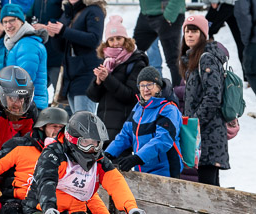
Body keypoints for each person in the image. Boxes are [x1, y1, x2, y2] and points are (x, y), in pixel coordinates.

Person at [105, 66, 183, 179]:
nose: (145, 89)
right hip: (142, 170)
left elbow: (163, 140)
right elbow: (125, 135)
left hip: (166, 171)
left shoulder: (168, 109)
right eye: (142, 85)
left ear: (158, 87)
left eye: (149, 84)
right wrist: (108, 154)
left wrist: (137, 158)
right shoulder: (138, 107)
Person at [179, 14, 229, 186]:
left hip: (209, 134)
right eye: (187, 31)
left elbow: (214, 95)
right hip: (202, 132)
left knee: (209, 188)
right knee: (208, 185)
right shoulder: (193, 59)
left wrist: (194, 122)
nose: (189, 35)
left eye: (194, 31)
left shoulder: (206, 57)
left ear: (203, 34)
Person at [86, 15, 148, 145]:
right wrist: (98, 82)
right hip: (103, 126)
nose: (115, 43)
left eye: (119, 38)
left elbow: (131, 95)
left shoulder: (136, 62)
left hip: (124, 126)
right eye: (111, 40)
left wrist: (107, 79)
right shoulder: (108, 62)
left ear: (126, 40)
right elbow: (93, 96)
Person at [44, 0, 105, 113]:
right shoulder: (67, 13)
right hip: (70, 75)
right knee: (76, 121)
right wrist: (55, 36)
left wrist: (63, 30)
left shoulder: (94, 10)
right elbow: (61, 48)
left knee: (83, 121)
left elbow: (94, 39)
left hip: (86, 74)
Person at [1, 3, 48, 109]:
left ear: (22, 21)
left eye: (12, 20)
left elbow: (24, 80)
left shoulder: (27, 44)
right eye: (5, 22)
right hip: (24, 104)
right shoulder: (17, 43)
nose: (8, 25)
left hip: (30, 105)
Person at [132, 0, 185, 87]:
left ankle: (179, 95)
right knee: (133, 54)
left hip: (167, 13)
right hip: (146, 13)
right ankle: (133, 92)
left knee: (173, 60)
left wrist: (169, 16)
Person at [28, 0, 64, 90]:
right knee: (37, 91)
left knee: (60, 93)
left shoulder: (62, 2)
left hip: (57, 56)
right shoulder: (37, 2)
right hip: (41, 55)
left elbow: (65, 22)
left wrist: (45, 27)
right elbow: (28, 18)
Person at [204, 0, 245, 76]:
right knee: (240, 41)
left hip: (223, 5)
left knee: (204, 30)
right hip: (232, 5)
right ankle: (247, 76)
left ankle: (206, 66)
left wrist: (214, 2)